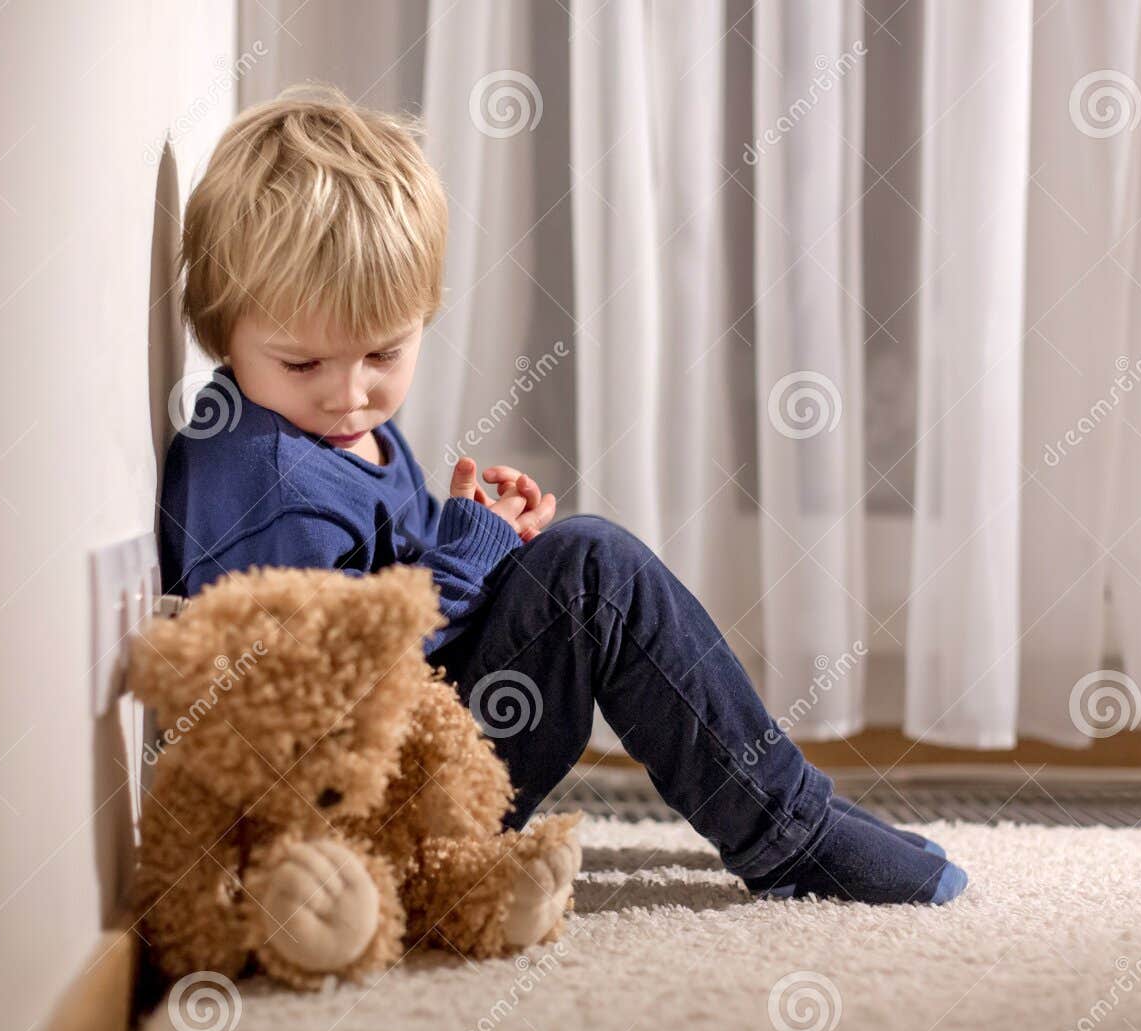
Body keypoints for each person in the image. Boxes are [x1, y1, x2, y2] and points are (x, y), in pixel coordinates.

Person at [160, 82, 967, 905]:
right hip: (363, 821)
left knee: (572, 565)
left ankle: (791, 811)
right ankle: (790, 835)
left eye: (383, 354)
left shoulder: (329, 431)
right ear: (222, 326)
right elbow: (325, 690)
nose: (348, 393)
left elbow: (386, 570)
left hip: (426, 759)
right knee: (594, 571)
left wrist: (488, 539)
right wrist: (471, 559)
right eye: (304, 363)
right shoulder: (263, 476)